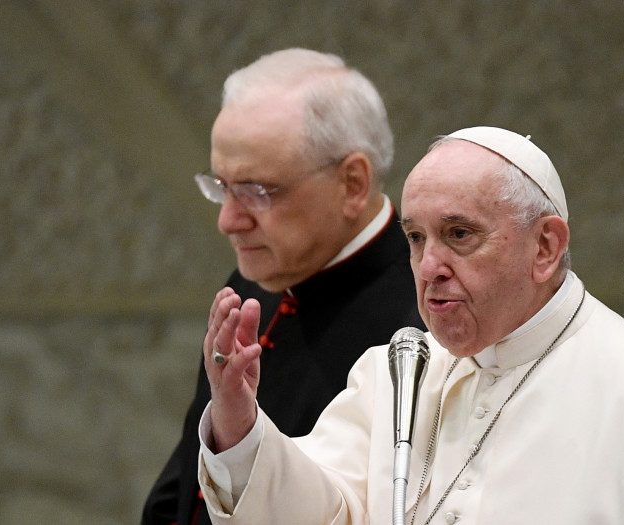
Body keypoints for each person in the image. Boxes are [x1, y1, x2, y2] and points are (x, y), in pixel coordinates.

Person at [196, 126, 624, 524]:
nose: (428, 268)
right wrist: (240, 427)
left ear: (545, 246)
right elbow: (326, 512)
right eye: (417, 239)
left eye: (460, 235)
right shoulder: (397, 377)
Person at [140, 48, 424, 525]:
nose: (228, 220)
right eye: (220, 186)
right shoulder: (256, 281)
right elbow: (186, 484)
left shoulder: (422, 320)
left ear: (352, 183)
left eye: (256, 191)